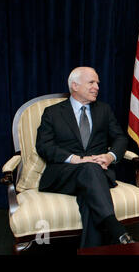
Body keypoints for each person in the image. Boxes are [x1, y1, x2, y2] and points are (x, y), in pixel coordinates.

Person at [36, 66, 133, 248]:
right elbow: (44, 146)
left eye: (97, 83)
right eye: (91, 82)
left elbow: (120, 138)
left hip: (97, 173)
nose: (97, 87)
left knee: (89, 196)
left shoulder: (103, 110)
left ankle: (97, 246)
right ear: (75, 85)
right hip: (64, 175)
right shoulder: (53, 113)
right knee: (89, 168)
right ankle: (114, 227)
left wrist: (110, 156)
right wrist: (76, 159)